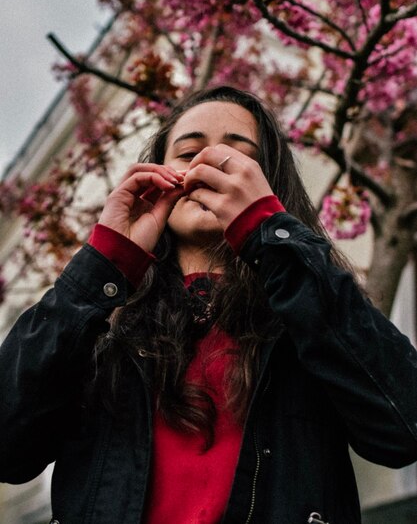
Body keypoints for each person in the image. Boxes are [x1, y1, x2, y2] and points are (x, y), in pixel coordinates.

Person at [1, 85, 417, 524]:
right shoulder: (103, 332)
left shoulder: (307, 318)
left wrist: (270, 235)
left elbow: (402, 429)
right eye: (187, 153)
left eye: (238, 156)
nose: (208, 165)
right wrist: (104, 263)